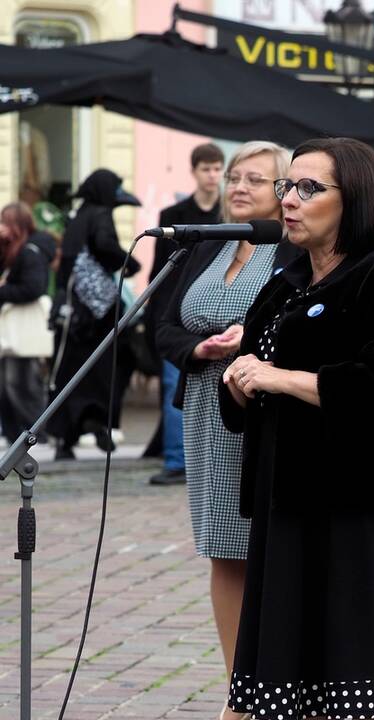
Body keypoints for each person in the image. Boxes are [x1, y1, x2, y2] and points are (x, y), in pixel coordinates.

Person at [220, 136, 374, 719]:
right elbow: (256, 383)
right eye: (286, 187)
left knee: (357, 673)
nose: (289, 200)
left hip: (357, 508)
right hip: (287, 502)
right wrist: (241, 385)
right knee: (296, 676)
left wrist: (281, 378)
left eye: (309, 188)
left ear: (356, 199)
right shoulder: (285, 282)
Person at [155, 140, 299, 720]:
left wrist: (252, 338)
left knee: (265, 550)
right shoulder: (206, 245)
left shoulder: (292, 250)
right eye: (235, 177)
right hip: (207, 413)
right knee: (222, 551)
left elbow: (303, 320)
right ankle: (239, 688)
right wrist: (197, 347)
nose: (239, 187)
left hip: (263, 410)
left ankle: (275, 683)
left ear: (284, 191)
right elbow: (161, 326)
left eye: (255, 180)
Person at [47, 168, 142, 460]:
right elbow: (104, 244)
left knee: (70, 373)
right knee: (111, 366)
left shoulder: (76, 219)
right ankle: (100, 422)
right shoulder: (100, 214)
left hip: (75, 314)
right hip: (100, 313)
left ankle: (66, 438)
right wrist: (130, 262)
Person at [147, 142, 225, 485]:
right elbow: (158, 273)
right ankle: (177, 460)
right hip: (177, 313)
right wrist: (157, 319)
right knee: (171, 386)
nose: (212, 175)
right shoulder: (173, 216)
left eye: (217, 168)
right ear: (194, 172)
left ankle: (206, 459)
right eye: (206, 168)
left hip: (216, 311)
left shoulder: (228, 215)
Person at [0, 202, 50, 443]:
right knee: (9, 383)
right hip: (13, 332)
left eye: (5, 222)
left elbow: (33, 287)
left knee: (20, 383)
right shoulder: (14, 250)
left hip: (22, 332)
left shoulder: (29, 252)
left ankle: (34, 431)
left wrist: (4, 291)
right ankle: (15, 433)